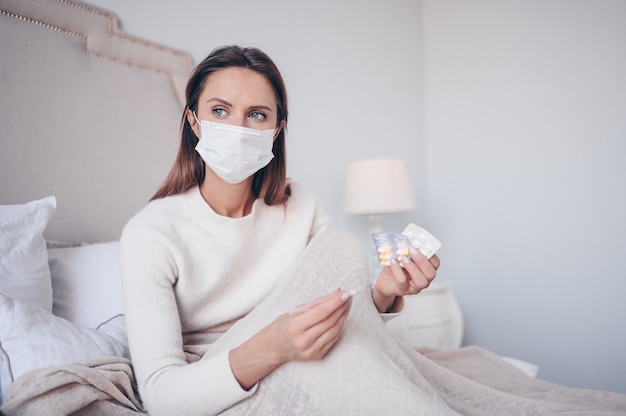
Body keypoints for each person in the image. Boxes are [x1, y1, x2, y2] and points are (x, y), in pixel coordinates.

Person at [120, 45, 440, 415]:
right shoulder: (151, 233)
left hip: (312, 360)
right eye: (219, 111)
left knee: (342, 250)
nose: (237, 129)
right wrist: (272, 347)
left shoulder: (301, 204)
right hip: (221, 384)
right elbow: (162, 397)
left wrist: (384, 293)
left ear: (276, 130)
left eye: (256, 114)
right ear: (194, 122)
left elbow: (343, 318)